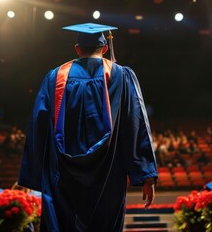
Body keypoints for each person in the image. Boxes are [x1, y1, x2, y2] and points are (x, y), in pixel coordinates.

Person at [18, 22, 158, 232]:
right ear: (104, 49)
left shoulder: (54, 78)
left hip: (62, 177)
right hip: (108, 176)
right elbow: (135, 123)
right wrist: (146, 173)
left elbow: (38, 125)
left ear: (77, 49)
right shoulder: (122, 76)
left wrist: (32, 174)